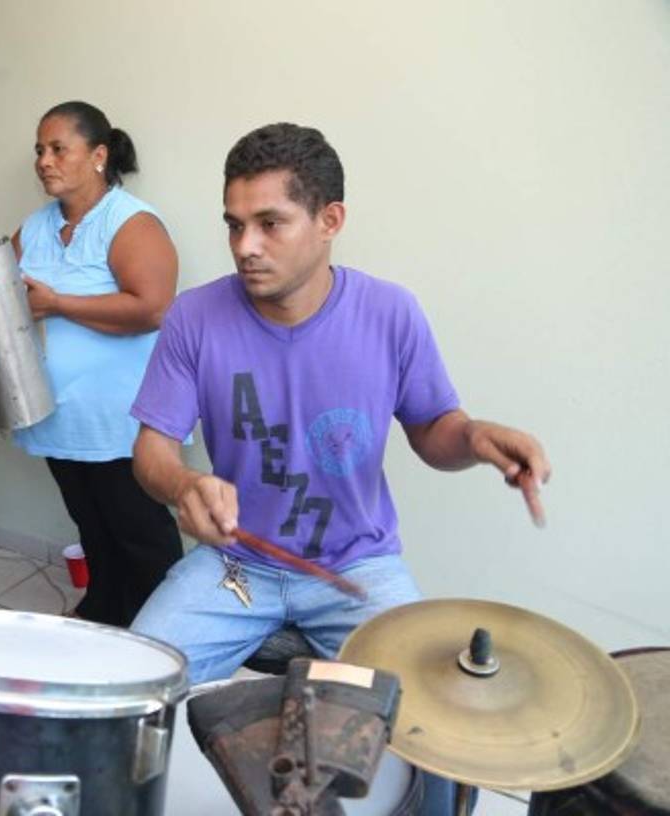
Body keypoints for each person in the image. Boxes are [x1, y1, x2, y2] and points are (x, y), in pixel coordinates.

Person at [128, 123, 550, 815]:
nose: (244, 246)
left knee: (430, 727)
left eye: (270, 223)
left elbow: (431, 430)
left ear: (330, 221)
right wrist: (183, 484)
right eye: (234, 224)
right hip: (237, 569)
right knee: (132, 688)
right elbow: (153, 452)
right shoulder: (194, 318)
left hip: (358, 567)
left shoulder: (391, 313)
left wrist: (474, 437)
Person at [0, 101, 184, 626]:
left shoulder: (130, 223)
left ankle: (168, 632)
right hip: (58, 414)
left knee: (139, 530)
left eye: (59, 148)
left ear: (98, 155)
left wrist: (58, 303)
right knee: (91, 521)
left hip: (121, 419)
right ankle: (105, 610)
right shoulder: (34, 227)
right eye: (39, 149)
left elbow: (153, 308)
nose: (44, 160)